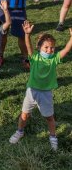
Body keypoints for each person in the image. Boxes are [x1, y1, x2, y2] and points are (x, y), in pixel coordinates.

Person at [9, 21, 72, 150]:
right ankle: (20, 131)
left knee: (49, 117)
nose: (50, 50)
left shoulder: (54, 59)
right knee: (24, 115)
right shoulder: (35, 57)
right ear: (40, 48)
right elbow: (28, 46)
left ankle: (53, 136)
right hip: (31, 91)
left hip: (46, 93)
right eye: (46, 47)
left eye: (52, 47)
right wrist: (27, 34)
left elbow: (66, 49)